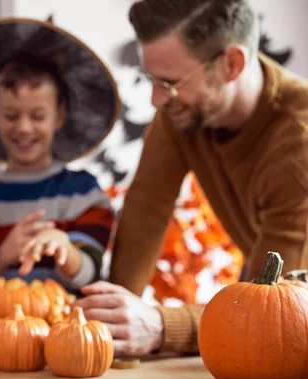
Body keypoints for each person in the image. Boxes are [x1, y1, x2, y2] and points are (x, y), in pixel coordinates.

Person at [75, 0, 308, 356]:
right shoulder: (182, 112)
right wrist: (111, 320)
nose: (156, 100)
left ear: (232, 64)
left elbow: (274, 308)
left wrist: (159, 326)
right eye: (151, 79)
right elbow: (145, 210)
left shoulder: (299, 143)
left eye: (169, 83)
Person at [0, 19, 117, 290]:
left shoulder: (84, 193)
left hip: (65, 325)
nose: (24, 128)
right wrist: (3, 256)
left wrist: (64, 248)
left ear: (59, 115)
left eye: (38, 116)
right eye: (11, 115)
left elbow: (92, 273)